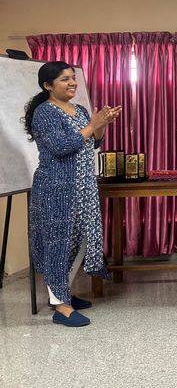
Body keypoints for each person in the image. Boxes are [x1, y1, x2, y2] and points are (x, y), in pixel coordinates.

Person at [24, 61, 121, 327]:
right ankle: (61, 307)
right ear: (48, 85)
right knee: (58, 245)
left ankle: (62, 292)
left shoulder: (79, 109)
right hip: (56, 189)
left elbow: (94, 141)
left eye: (73, 78)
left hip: (84, 187)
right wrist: (92, 125)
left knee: (79, 241)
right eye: (65, 79)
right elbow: (60, 146)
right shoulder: (45, 112)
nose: (72, 83)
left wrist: (101, 124)